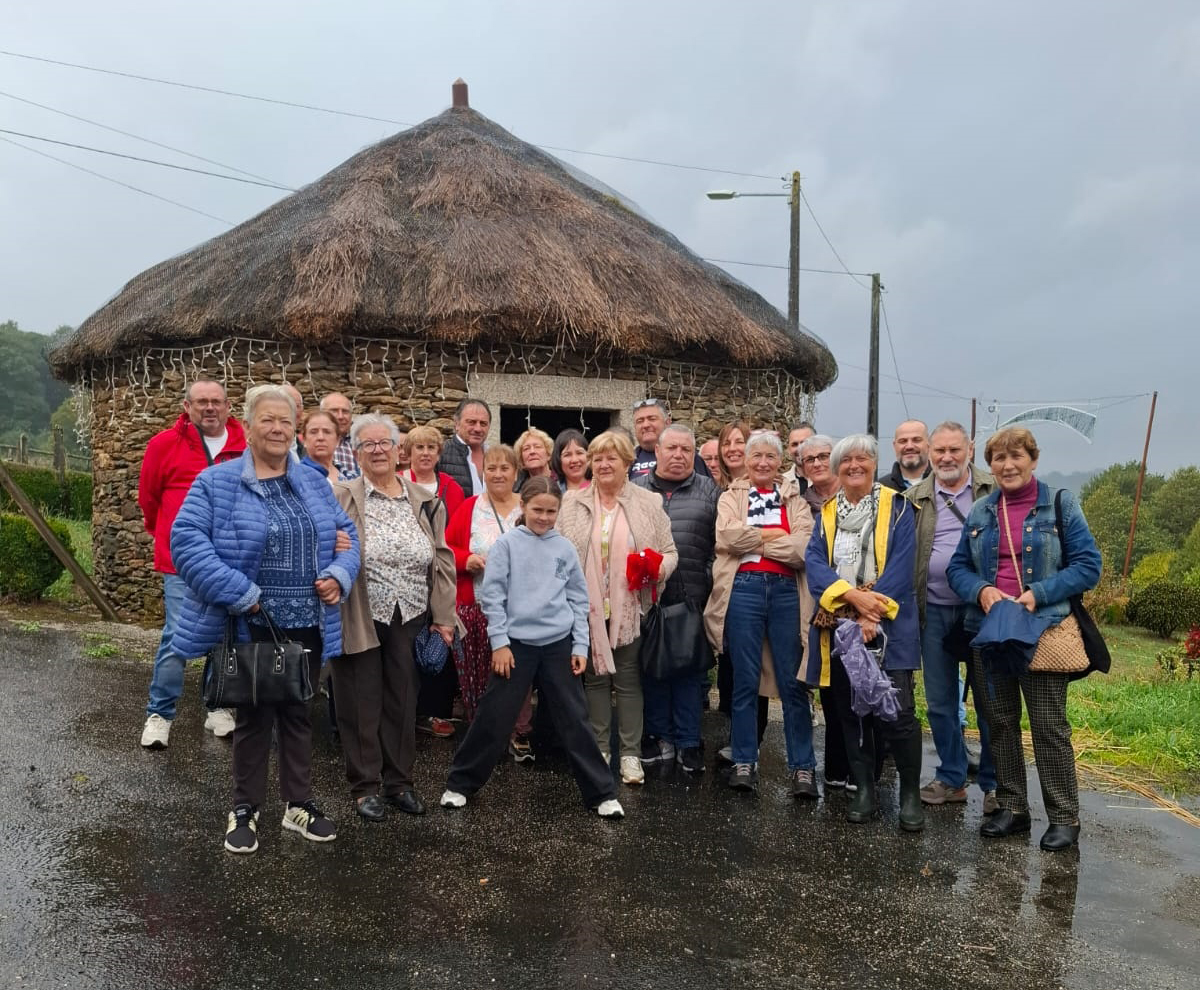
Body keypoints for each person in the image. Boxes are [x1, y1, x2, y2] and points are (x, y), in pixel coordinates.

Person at [169, 384, 360, 853]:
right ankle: (245, 810)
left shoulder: (314, 480)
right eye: (267, 420)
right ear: (249, 428)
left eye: (285, 422)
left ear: (295, 431)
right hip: (251, 618)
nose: (277, 428)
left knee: (299, 711)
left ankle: (299, 805)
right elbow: (186, 541)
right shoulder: (218, 482)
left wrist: (339, 574)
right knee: (253, 716)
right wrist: (241, 593)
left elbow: (348, 536)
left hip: (309, 618)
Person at [947, 427, 1102, 851]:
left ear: (1033, 459)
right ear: (990, 465)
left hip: (1043, 632)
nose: (1008, 465)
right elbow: (957, 568)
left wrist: (1041, 593)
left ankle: (1064, 816)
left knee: (1049, 727)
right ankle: (1013, 808)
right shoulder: (981, 511)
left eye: (1016, 456)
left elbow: (1089, 566)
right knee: (999, 723)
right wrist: (980, 590)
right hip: (991, 631)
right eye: (999, 458)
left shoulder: (1059, 505)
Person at [440, 478, 625, 818]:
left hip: (558, 644)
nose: (544, 517)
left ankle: (602, 793)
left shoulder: (564, 548)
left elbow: (577, 598)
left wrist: (580, 645)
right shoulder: (507, 545)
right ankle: (459, 784)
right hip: (515, 646)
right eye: (537, 509)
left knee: (575, 719)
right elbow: (493, 597)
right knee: (494, 716)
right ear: (523, 507)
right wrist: (500, 643)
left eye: (551, 511)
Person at [331, 414, 456, 822]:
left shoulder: (423, 498)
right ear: (356, 452)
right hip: (359, 611)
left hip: (412, 612)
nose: (378, 450)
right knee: (360, 698)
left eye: (384, 443)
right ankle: (365, 786)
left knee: (403, 701)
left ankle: (399, 782)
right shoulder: (342, 495)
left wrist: (444, 617)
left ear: (397, 448)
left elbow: (441, 558)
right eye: (368, 445)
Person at [804, 434, 925, 831]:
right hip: (841, 627)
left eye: (862, 459)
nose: (854, 466)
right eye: (846, 461)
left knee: (898, 712)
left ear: (874, 464)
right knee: (851, 711)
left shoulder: (900, 507)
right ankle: (864, 789)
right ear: (838, 470)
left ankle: (909, 795)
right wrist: (855, 599)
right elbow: (816, 565)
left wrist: (873, 614)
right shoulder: (826, 514)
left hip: (889, 625)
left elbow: (903, 565)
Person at [559, 430, 678, 786]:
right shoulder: (572, 504)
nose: (604, 464)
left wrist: (658, 568)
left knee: (628, 682)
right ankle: (599, 750)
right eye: (598, 458)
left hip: (631, 608)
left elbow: (671, 551)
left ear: (628, 463)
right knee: (594, 681)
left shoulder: (649, 503)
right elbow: (561, 555)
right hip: (588, 609)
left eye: (612, 458)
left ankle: (629, 755)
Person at [704, 432, 817, 796]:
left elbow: (803, 548)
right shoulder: (730, 497)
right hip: (744, 589)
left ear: (780, 461)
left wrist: (754, 537)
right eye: (757, 456)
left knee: (792, 681)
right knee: (745, 680)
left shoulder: (795, 499)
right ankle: (743, 760)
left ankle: (803, 768)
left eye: (771, 456)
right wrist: (775, 534)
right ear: (748, 461)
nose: (763, 462)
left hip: (786, 593)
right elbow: (725, 537)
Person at [138, 379, 246, 749]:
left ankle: (217, 707)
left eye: (216, 402)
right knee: (177, 636)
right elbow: (149, 499)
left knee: (223, 636)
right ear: (187, 406)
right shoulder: (164, 445)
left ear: (229, 406)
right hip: (181, 561)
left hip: (229, 561)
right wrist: (167, 536)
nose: (209, 408)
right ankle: (160, 714)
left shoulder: (244, 447)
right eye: (201, 402)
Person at [904, 422, 999, 814]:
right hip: (934, 610)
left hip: (985, 611)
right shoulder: (914, 498)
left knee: (992, 702)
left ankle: (996, 785)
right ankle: (952, 777)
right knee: (941, 702)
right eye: (939, 450)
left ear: (970, 449)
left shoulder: (994, 491)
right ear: (929, 452)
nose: (946, 457)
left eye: (954, 450)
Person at [633, 425, 719, 773]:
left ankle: (688, 741)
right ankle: (658, 736)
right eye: (672, 448)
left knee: (687, 672)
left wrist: (709, 582)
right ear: (657, 451)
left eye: (686, 449)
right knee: (651, 669)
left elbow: (718, 546)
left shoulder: (709, 492)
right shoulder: (636, 491)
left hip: (692, 598)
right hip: (647, 599)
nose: (679, 455)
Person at [444, 445, 533, 757]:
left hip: (521, 610)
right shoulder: (470, 507)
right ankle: (484, 735)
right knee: (478, 675)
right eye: (491, 468)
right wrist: (467, 558)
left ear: (516, 473)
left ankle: (517, 732)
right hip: (476, 605)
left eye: (504, 468)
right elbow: (445, 549)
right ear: (483, 473)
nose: (498, 474)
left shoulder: (528, 508)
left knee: (516, 673)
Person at [403, 424, 466, 737]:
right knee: (408, 645)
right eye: (419, 448)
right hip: (409, 577)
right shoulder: (400, 483)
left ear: (439, 454)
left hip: (441, 573)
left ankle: (433, 712)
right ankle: (408, 711)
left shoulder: (451, 488)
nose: (425, 453)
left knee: (440, 641)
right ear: (409, 454)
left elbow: (454, 534)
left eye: (431, 448)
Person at [797, 433, 849, 791]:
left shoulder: (854, 496)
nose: (816, 463)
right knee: (829, 685)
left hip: (855, 600)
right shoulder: (801, 502)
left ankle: (862, 770)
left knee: (858, 686)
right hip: (814, 602)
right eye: (809, 459)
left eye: (823, 457)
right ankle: (835, 768)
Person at [628, 398, 712, 480]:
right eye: (640, 421)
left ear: (667, 423)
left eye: (652, 419)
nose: (645, 425)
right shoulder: (627, 460)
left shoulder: (689, 456)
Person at [435, 398, 491, 497]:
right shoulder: (440, 454)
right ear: (457, 424)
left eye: (483, 424)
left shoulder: (495, 455)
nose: (478, 429)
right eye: (471, 422)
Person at [880, 420, 931, 491]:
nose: (909, 446)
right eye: (903, 441)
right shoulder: (881, 489)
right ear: (895, 446)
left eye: (916, 440)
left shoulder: (942, 483)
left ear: (928, 444)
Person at [321, 392, 359, 480]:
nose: (340, 416)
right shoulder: (310, 443)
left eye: (345, 411)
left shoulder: (360, 442)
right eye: (334, 411)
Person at [300, 409, 344, 485]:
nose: (320, 437)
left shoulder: (348, 474)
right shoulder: (297, 476)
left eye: (327, 432)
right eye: (313, 432)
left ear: (338, 440)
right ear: (304, 440)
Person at [716, 420, 750, 490]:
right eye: (726, 443)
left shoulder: (765, 489)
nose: (732, 449)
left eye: (739, 442)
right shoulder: (712, 492)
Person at [782, 421, 816, 487]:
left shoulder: (832, 480)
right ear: (788, 449)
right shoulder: (780, 484)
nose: (799, 448)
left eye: (804, 443)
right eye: (794, 444)